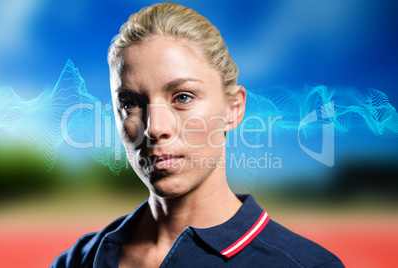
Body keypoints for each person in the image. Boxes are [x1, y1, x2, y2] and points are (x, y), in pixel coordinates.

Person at [51, 2, 344, 267]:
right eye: (130, 103)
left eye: (183, 97)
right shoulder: (77, 261)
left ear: (233, 108)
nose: (154, 128)